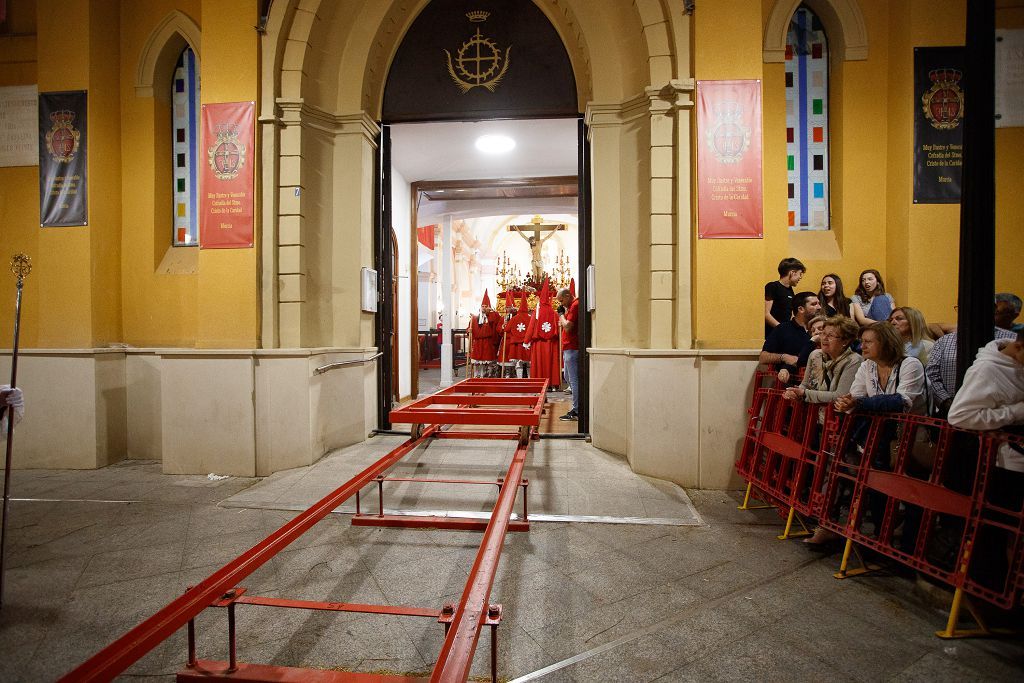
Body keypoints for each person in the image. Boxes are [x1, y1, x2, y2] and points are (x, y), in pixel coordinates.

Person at [947, 330, 1024, 587]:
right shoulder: (988, 370)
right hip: (1006, 464)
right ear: (1019, 347)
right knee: (998, 531)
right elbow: (960, 416)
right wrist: (1014, 412)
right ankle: (989, 590)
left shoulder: (1015, 363)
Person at [783, 315, 863, 547]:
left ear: (846, 340)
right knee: (819, 470)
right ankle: (821, 519)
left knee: (835, 473)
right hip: (817, 423)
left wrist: (805, 396)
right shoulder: (815, 356)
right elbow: (806, 385)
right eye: (823, 333)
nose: (824, 338)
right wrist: (795, 392)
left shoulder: (853, 362)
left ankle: (830, 525)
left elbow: (841, 395)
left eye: (831, 335)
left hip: (843, 427)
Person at [925, 302, 1018, 418]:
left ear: (993, 310)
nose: (967, 313)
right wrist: (946, 402)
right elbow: (932, 375)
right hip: (949, 413)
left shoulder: (1011, 340)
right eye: (961, 308)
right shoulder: (943, 342)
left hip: (998, 416)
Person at [835, 322, 927, 416]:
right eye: (862, 341)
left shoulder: (910, 364)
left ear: (887, 343)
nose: (862, 346)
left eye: (868, 342)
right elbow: (855, 397)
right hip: (881, 427)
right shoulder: (866, 365)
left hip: (911, 427)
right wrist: (846, 403)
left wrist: (858, 403)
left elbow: (903, 402)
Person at [760, 291, 821, 377]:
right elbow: (763, 357)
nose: (819, 307)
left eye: (819, 303)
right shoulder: (783, 329)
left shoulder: (823, 328)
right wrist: (784, 357)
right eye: (814, 304)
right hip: (791, 380)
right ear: (801, 309)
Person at [525, 279, 561, 391]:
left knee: (540, 363)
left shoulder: (537, 311)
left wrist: (526, 341)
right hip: (551, 344)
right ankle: (552, 384)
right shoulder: (553, 312)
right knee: (551, 363)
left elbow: (531, 327)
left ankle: (539, 383)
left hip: (539, 344)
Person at [778, 314, 827, 385]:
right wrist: (785, 369)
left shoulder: (833, 347)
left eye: (820, 329)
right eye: (813, 330)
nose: (816, 332)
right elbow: (800, 361)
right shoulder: (810, 346)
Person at [764, 257, 806, 338]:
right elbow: (766, 314)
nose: (800, 277)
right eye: (800, 274)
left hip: (783, 335)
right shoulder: (772, 286)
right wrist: (781, 329)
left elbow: (789, 314)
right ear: (792, 272)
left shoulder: (790, 290)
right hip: (771, 335)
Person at [556, 287, 580, 421]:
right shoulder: (572, 306)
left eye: (561, 300)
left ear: (567, 295)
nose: (561, 304)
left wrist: (561, 316)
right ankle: (576, 407)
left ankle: (577, 410)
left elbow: (568, 327)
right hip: (568, 347)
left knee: (574, 380)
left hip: (572, 347)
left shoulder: (575, 305)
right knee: (568, 377)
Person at [469, 290, 500, 378]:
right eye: (482, 306)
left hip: (489, 341)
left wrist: (491, 313)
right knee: (477, 360)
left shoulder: (493, 315)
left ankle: (487, 373)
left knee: (487, 359)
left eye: (485, 306)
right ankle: (476, 374)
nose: (484, 308)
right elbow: (470, 326)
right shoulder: (475, 317)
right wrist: (469, 330)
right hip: (478, 342)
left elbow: (496, 321)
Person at [502, 293, 532, 378]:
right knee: (528, 362)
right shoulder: (530, 318)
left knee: (519, 363)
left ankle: (519, 379)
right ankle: (529, 379)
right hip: (527, 344)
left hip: (516, 344)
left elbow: (506, 329)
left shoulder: (514, 318)